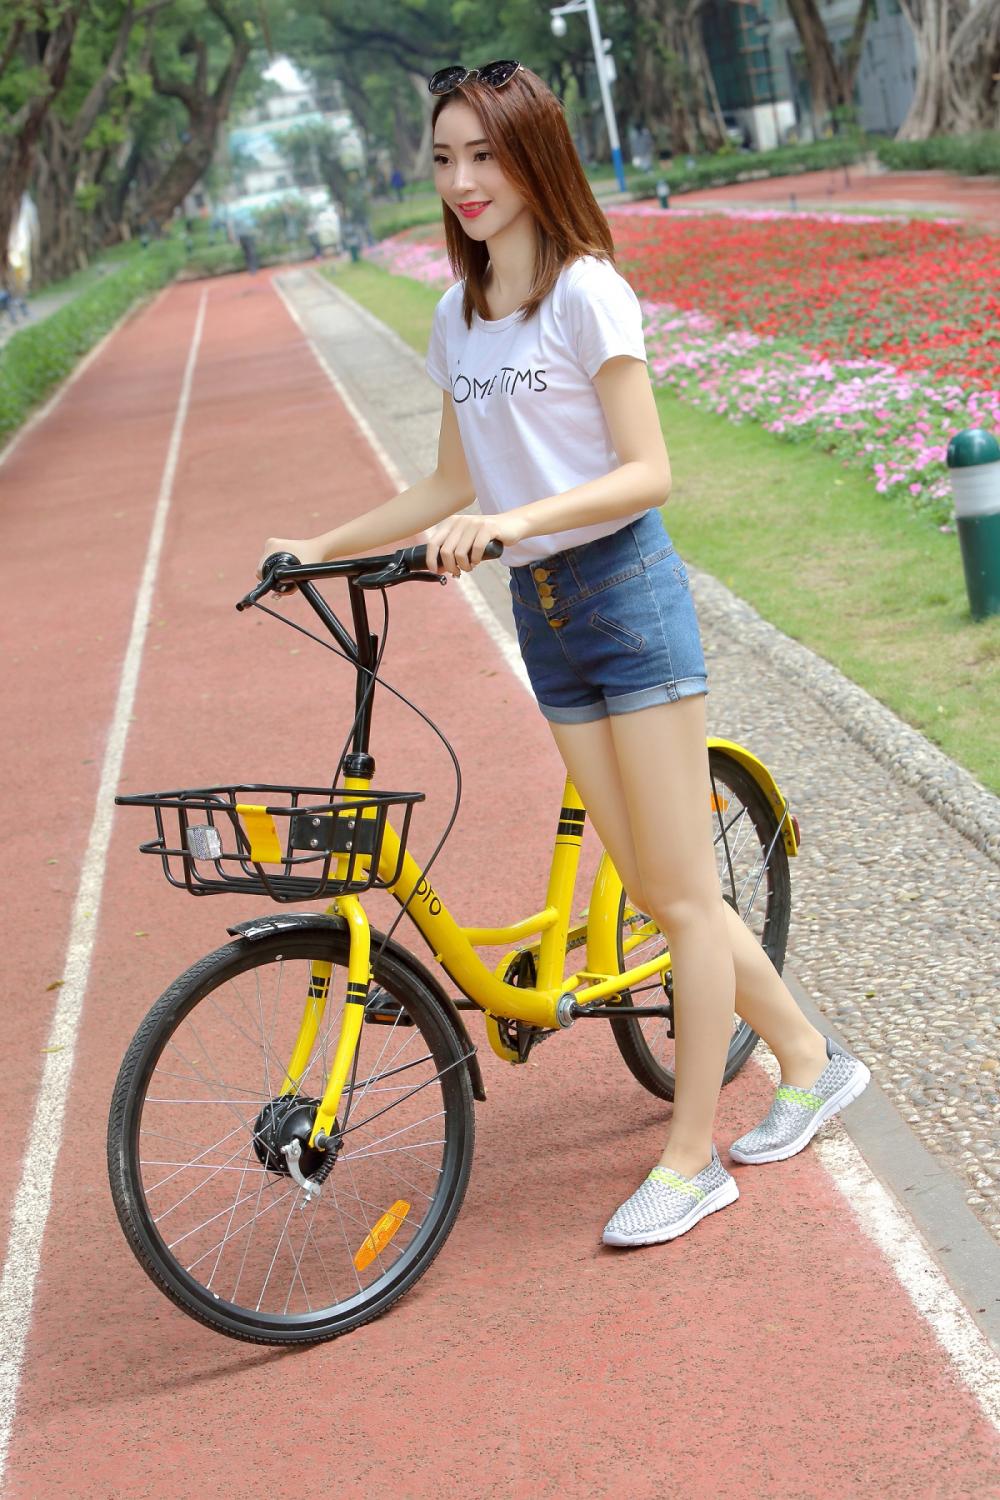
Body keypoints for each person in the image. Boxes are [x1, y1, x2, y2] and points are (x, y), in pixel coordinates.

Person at [259, 61, 870, 1248]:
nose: (463, 181)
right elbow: (448, 479)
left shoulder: (590, 293)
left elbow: (648, 471)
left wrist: (513, 521)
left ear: (533, 156)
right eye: (444, 160)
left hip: (624, 593)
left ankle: (691, 1159)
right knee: (653, 887)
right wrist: (316, 547)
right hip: (544, 614)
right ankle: (804, 1055)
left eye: (483, 155)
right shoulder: (458, 312)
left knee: (682, 895)